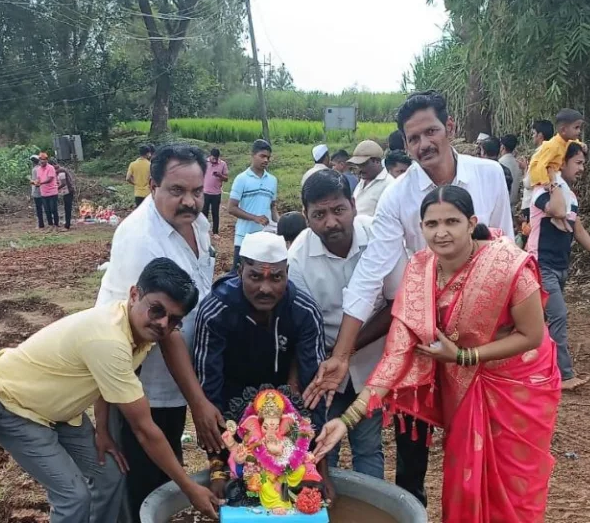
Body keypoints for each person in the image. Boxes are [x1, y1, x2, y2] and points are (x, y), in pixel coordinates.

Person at [303, 90, 513, 506]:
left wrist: (496, 344)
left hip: (480, 336)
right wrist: (342, 354)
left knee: (479, 446)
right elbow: (370, 275)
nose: (424, 145)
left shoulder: (489, 176)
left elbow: (507, 251)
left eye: (431, 131)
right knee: (411, 446)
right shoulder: (397, 197)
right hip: (421, 329)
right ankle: (411, 508)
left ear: (450, 128)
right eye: (413, 138)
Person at [313, 185, 561, 523]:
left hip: (516, 389)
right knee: (465, 479)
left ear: (471, 222)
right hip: (466, 390)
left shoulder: (508, 265)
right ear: (421, 228)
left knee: (512, 485)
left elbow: (532, 335)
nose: (441, 233)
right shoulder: (419, 271)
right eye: (431, 224)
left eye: (451, 222)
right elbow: (397, 353)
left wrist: (464, 357)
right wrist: (345, 421)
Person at [0, 258, 219, 522]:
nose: (164, 324)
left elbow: (104, 383)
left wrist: (104, 430)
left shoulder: (133, 327)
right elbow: (145, 430)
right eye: (157, 310)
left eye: (174, 319)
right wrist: (189, 488)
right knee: (72, 496)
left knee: (108, 476)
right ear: (134, 295)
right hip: (13, 404)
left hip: (59, 410)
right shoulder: (109, 339)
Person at [96, 144, 225, 521]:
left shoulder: (197, 224)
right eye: (176, 190)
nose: (189, 201)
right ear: (152, 185)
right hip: (142, 381)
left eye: (197, 192)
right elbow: (164, 331)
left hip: (178, 376)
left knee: (164, 459)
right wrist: (198, 402)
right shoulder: (140, 238)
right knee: (146, 476)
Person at [192, 231, 328, 498]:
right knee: (239, 484)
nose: (266, 288)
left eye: (276, 277)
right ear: (240, 270)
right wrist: (217, 464)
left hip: (284, 407)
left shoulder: (304, 311)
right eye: (255, 277)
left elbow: (314, 392)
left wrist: (317, 466)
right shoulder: (216, 311)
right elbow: (209, 390)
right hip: (232, 398)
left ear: (287, 272)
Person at [288, 171, 405, 480]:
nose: (331, 222)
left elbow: (397, 304)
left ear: (353, 205)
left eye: (338, 210)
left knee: (367, 446)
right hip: (322, 372)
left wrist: (346, 350)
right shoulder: (298, 257)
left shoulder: (380, 238)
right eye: (319, 214)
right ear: (306, 216)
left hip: (371, 368)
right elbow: (300, 323)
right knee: (325, 447)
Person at [527, 142, 590, 390]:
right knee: (558, 316)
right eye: (577, 163)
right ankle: (564, 375)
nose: (582, 168)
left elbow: (576, 227)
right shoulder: (543, 190)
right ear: (560, 163)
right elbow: (556, 210)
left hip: (559, 266)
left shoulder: (570, 196)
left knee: (539, 320)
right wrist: (552, 177)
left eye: (583, 163)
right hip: (541, 264)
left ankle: (529, 369)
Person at [526, 109, 585, 235]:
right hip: (544, 175)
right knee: (563, 192)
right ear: (563, 130)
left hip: (554, 173)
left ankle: (563, 220)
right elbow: (541, 164)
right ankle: (557, 219)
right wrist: (547, 182)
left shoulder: (565, 142)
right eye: (576, 128)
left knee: (566, 194)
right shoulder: (552, 146)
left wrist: (581, 144)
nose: (579, 131)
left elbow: (573, 142)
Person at [227, 139, 279, 269]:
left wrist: (279, 225)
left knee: (261, 276)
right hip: (244, 238)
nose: (266, 160)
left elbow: (272, 207)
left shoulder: (272, 181)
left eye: (268, 157)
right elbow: (231, 208)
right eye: (262, 156)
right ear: (253, 155)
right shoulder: (242, 179)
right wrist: (255, 218)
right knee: (238, 277)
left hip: (265, 238)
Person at [520, 119, 555, 242]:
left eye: (534, 133)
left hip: (533, 202)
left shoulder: (539, 154)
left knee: (529, 237)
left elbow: (529, 183)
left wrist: (525, 170)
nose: (533, 136)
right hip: (547, 201)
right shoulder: (553, 152)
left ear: (540, 135)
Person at [348, 140, 393, 217]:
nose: (359, 169)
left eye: (363, 165)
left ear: (377, 162)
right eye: (357, 165)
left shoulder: (389, 184)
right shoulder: (362, 182)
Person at [203, 148, 229, 237]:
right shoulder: (204, 163)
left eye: (216, 158)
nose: (215, 160)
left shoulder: (222, 164)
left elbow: (226, 178)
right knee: (204, 213)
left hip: (216, 193)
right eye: (213, 158)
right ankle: (204, 232)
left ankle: (215, 232)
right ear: (210, 156)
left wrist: (220, 175)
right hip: (205, 192)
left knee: (215, 213)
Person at [37, 152, 60, 227]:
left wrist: (41, 183)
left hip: (52, 192)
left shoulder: (51, 168)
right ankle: (50, 225)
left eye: (44, 159)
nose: (42, 161)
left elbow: (50, 179)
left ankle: (56, 225)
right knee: (47, 210)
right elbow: (38, 179)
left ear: (47, 160)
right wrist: (36, 183)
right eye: (41, 159)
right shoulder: (38, 169)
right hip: (44, 192)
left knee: (53, 209)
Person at [498, 134, 522, 206]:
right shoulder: (518, 163)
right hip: (513, 203)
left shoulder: (499, 163)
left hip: (502, 203)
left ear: (502, 147)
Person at [55, 159, 77, 230]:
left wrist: (56, 188)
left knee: (68, 208)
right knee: (67, 207)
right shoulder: (60, 170)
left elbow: (64, 183)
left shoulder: (61, 171)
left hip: (68, 191)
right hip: (66, 191)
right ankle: (67, 223)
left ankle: (67, 225)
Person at [30, 154, 46, 228]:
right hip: (45, 190)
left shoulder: (34, 170)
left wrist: (31, 182)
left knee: (38, 208)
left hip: (37, 191)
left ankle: (41, 224)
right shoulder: (43, 168)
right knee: (46, 207)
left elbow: (35, 182)